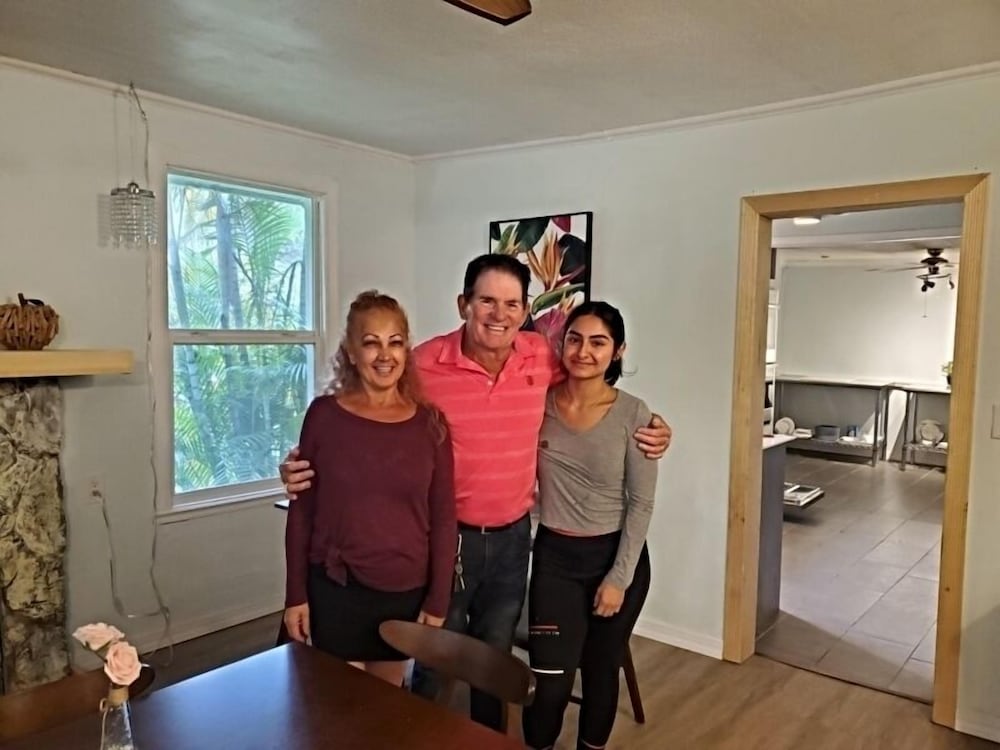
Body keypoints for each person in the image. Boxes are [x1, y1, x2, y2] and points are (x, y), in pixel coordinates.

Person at [281, 254, 672, 728]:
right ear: (463, 304)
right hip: (449, 539)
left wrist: (653, 426)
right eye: (487, 300)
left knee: (494, 658)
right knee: (433, 654)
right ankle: (418, 734)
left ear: (525, 311)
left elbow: (590, 387)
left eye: (511, 304)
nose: (498, 314)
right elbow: (367, 415)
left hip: (513, 539)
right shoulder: (422, 363)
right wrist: (302, 464)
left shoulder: (541, 357)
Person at [283, 291, 456, 687]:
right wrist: (295, 594)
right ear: (350, 351)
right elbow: (302, 511)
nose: (384, 355)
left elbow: (445, 519)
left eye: (395, 342)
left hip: (403, 592)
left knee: (383, 706)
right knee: (337, 705)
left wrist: (438, 600)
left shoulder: (431, 425)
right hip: (336, 589)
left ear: (406, 348)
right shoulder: (323, 416)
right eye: (371, 342)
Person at [521, 300, 657, 750]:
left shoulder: (634, 415)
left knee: (600, 674)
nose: (584, 351)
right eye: (575, 339)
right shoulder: (539, 405)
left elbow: (641, 504)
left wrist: (618, 578)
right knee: (550, 682)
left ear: (618, 351)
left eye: (598, 342)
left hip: (615, 560)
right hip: (555, 561)